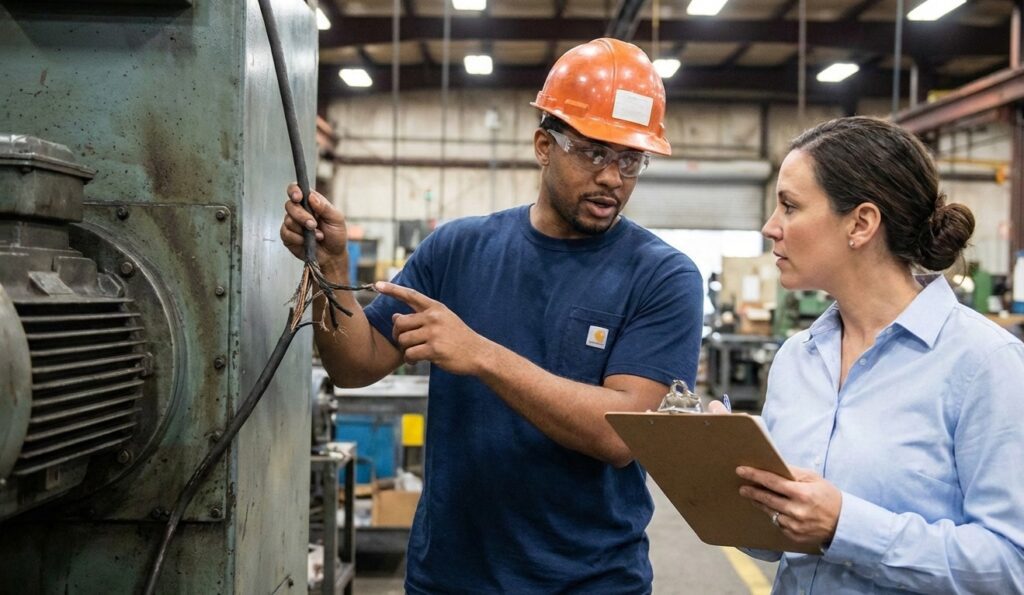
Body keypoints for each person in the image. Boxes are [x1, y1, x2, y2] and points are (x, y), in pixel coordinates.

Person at [280, 39, 704, 593]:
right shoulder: (456, 248)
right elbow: (356, 365)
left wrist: (480, 354)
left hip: (590, 581)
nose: (613, 178)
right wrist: (332, 268)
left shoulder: (663, 277)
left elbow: (620, 435)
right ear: (544, 146)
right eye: (595, 152)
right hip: (449, 576)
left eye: (630, 160)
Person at [737, 116, 1024, 593]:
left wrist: (845, 528)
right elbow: (773, 541)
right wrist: (729, 480)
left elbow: (1011, 563)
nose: (771, 228)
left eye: (789, 206)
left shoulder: (984, 365)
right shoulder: (797, 359)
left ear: (862, 223)